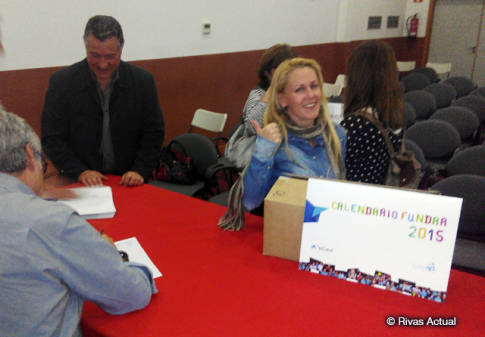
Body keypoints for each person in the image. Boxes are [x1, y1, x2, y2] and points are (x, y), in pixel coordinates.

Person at [0, 108, 157, 337]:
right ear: (28, 156)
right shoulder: (50, 221)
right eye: (43, 163)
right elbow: (130, 294)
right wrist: (113, 256)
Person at [41, 15, 165, 187]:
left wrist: (140, 170)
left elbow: (154, 133)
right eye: (95, 55)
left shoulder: (142, 81)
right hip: (78, 179)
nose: (103, 64)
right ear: (85, 46)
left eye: (110, 56)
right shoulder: (62, 83)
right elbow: (51, 138)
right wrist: (79, 171)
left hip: (129, 179)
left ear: (121, 49)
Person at [242, 58, 347, 211]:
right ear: (282, 99)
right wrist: (262, 151)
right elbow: (250, 202)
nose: (311, 95)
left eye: (314, 86)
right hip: (289, 227)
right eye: (300, 89)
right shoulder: (273, 142)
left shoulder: (337, 134)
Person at [340, 40, 405, 185]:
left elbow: (334, 167)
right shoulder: (393, 113)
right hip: (378, 193)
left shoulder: (356, 123)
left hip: (353, 199)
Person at [241, 44, 298, 135]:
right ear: (268, 73)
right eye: (283, 70)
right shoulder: (258, 93)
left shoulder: (296, 93)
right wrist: (275, 85)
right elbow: (250, 128)